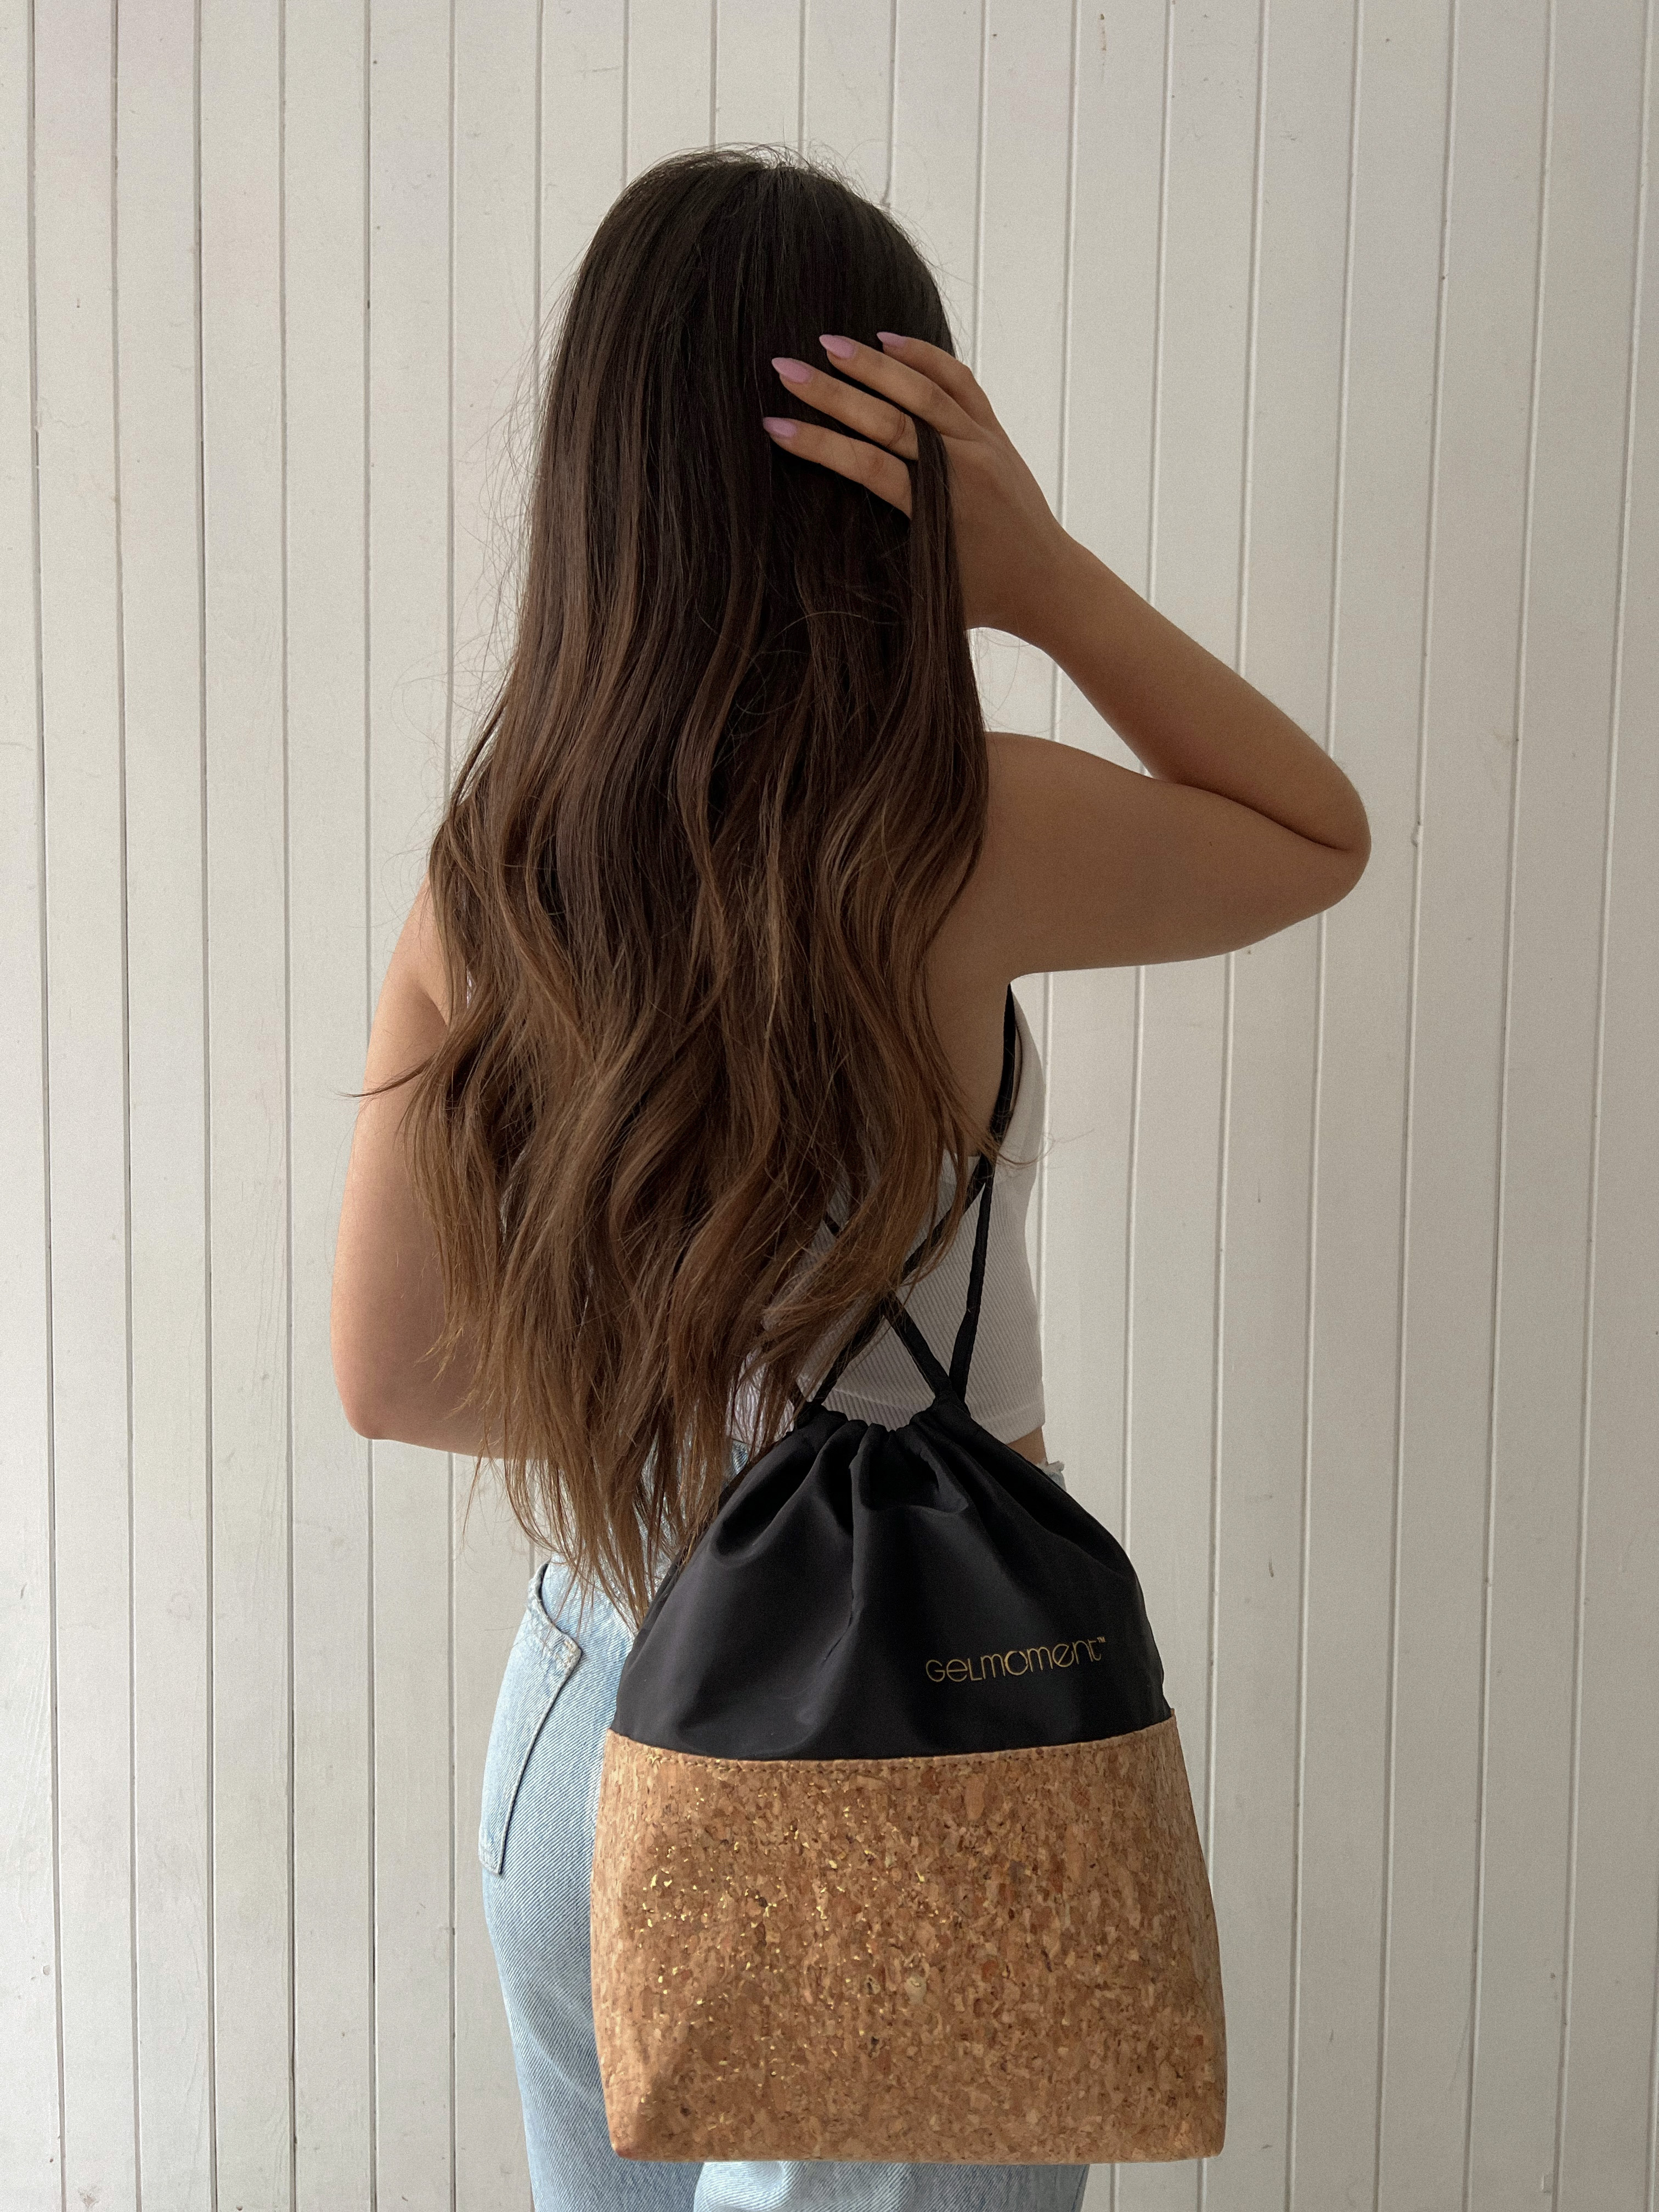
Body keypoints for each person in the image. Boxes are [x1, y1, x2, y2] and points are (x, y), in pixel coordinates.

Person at [330, 146, 1369, 2212]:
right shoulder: (961, 836)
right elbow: (1309, 833)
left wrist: (682, 1416)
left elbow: (393, 1376)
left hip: (595, 1702)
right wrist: (1043, 577)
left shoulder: (498, 869)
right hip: (904, 1732)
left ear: (600, 484)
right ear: (903, 480)